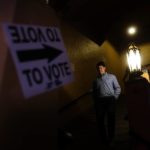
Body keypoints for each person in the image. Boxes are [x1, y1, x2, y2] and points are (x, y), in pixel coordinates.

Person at [92, 61, 121, 147]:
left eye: (101, 68)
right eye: (98, 68)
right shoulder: (95, 81)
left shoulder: (112, 77)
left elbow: (118, 88)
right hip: (100, 102)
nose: (99, 69)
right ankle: (104, 139)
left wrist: (114, 98)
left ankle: (111, 138)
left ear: (105, 68)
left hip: (110, 100)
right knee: (100, 120)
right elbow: (94, 93)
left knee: (111, 119)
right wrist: (96, 103)